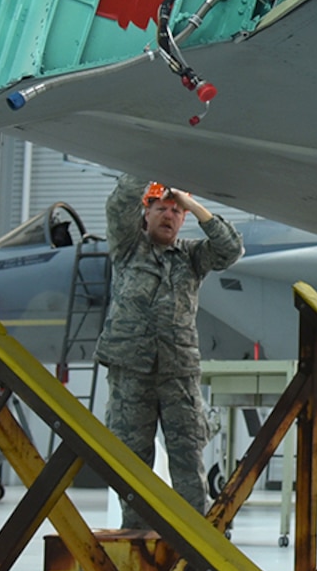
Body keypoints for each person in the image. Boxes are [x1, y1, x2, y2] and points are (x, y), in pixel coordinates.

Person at [97, 174, 244, 530]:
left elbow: (230, 250)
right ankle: (136, 534)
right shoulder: (129, 246)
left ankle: (195, 541)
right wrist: (152, 166)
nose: (169, 215)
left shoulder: (191, 256)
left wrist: (192, 203)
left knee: (188, 458)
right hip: (131, 370)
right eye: (161, 208)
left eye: (176, 211)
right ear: (145, 215)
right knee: (131, 459)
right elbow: (118, 204)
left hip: (177, 372)